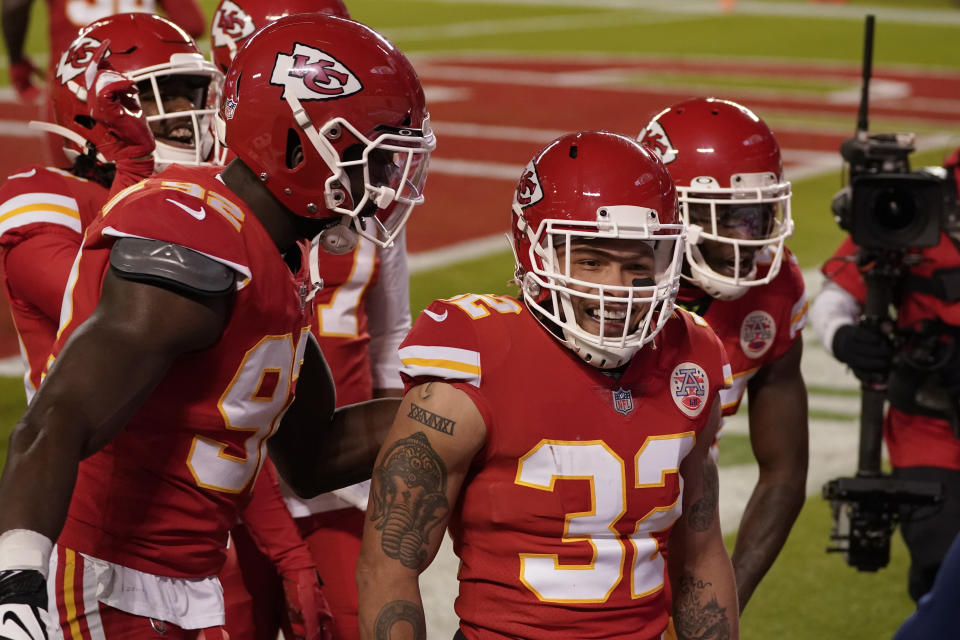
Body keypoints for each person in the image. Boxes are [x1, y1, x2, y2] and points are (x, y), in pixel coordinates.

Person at [0, 12, 434, 639]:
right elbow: (56, 419)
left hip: (185, 585)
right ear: (294, 144)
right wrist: (17, 588)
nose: (387, 182)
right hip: (102, 581)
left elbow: (311, 455)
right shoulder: (195, 229)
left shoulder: (275, 253)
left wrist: (471, 399)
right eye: (371, 155)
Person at [356, 130, 738, 640]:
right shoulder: (478, 358)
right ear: (537, 252)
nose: (616, 289)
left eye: (637, 266)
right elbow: (389, 567)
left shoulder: (692, 355)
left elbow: (701, 554)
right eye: (592, 261)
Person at [209, 4, 414, 640]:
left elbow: (389, 344)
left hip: (335, 474)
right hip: (223, 486)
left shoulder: (359, 179)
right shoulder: (194, 199)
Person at [638, 97, 809, 612]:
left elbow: (784, 471)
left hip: (680, 535)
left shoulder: (772, 287)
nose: (749, 239)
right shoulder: (611, 292)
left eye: (758, 216)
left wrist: (723, 598)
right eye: (728, 217)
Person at [809, 146, 960, 602]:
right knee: (940, 569)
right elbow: (834, 299)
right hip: (931, 423)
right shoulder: (914, 197)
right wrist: (845, 338)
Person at [1, 0, 206, 103]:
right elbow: (193, 24)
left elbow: (14, 6)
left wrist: (17, 61)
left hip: (74, 78)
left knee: (72, 178)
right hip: (142, 81)